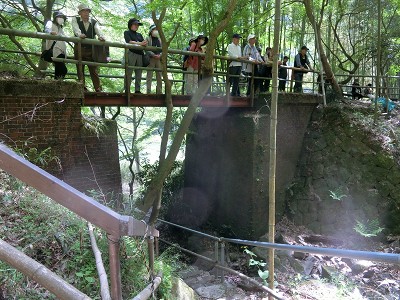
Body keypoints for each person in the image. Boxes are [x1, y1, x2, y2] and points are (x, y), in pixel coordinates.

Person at [71, 4, 106, 92]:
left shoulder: (94, 22)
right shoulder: (75, 19)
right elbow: (76, 29)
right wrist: (79, 35)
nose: (86, 13)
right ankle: (82, 87)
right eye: (84, 11)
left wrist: (101, 36)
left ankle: (98, 88)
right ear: (80, 13)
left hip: (91, 49)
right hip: (79, 47)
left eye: (87, 11)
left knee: (93, 69)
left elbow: (98, 30)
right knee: (80, 68)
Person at [124, 18, 147, 93]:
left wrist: (144, 43)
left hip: (140, 54)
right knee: (129, 72)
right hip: (131, 53)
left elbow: (143, 43)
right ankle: (127, 89)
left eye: (137, 25)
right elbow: (129, 41)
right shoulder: (127, 32)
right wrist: (140, 43)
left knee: (139, 73)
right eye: (135, 24)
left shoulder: (139, 35)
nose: (137, 26)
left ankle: (137, 90)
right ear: (130, 25)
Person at [45, 11, 67, 79]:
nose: (61, 18)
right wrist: (51, 32)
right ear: (55, 18)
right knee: (63, 69)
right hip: (55, 49)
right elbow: (47, 29)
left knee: (59, 69)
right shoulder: (50, 23)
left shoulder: (60, 28)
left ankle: (57, 83)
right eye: (59, 17)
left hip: (61, 50)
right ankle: (57, 82)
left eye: (62, 17)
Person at [146, 25, 162, 94]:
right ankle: (148, 91)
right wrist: (153, 55)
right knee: (149, 75)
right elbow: (146, 48)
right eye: (154, 29)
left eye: (156, 29)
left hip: (158, 59)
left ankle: (159, 91)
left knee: (159, 75)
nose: (156, 31)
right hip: (151, 59)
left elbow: (162, 49)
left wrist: (160, 55)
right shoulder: (148, 38)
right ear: (151, 31)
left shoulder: (159, 39)